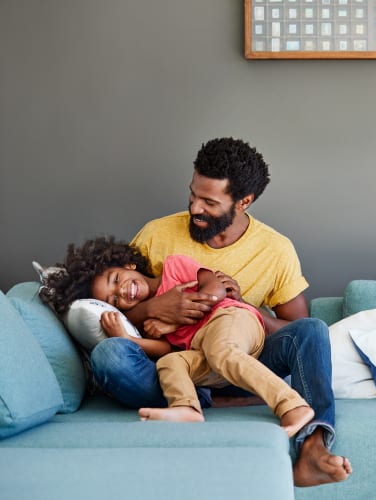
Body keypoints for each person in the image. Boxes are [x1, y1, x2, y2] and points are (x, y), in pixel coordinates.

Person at [89, 137, 352, 487]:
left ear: (243, 201)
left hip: (243, 351)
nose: (195, 208)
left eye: (209, 202)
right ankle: (203, 402)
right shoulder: (156, 235)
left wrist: (243, 306)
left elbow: (294, 329)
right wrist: (156, 307)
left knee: (313, 330)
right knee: (110, 357)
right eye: (192, 195)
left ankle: (313, 447)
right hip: (187, 363)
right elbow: (121, 300)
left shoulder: (275, 250)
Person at [40, 236, 315, 438]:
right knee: (170, 365)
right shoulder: (148, 319)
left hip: (233, 319)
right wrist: (126, 338)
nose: (121, 292)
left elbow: (216, 288)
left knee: (222, 351)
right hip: (203, 348)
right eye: (113, 299)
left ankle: (292, 406)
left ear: (128, 265)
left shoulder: (174, 267)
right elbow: (165, 350)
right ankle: (188, 409)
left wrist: (184, 310)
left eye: (115, 279)